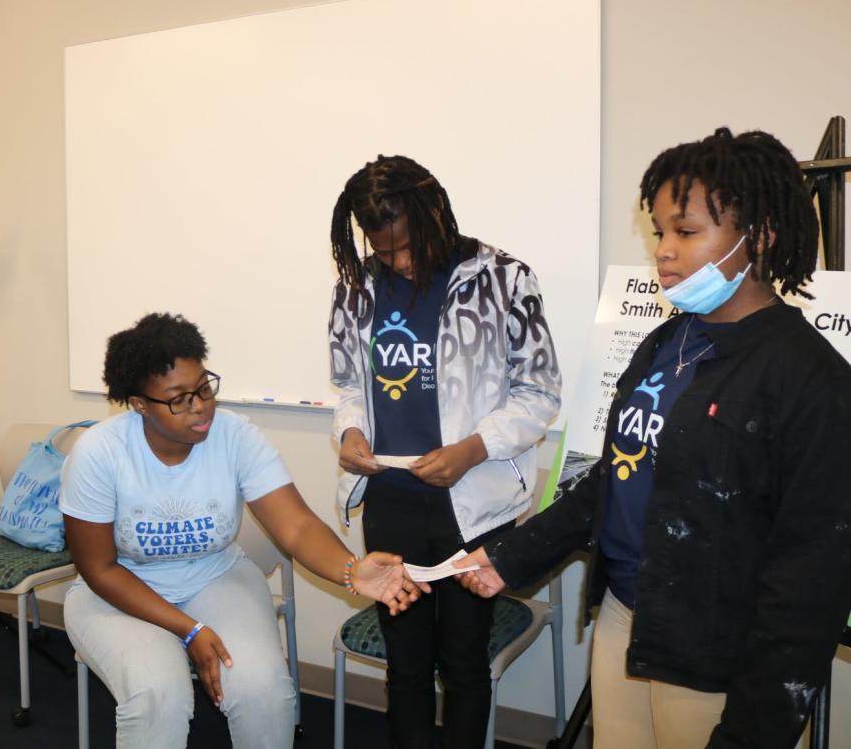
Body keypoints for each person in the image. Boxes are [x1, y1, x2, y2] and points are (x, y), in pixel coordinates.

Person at [455, 128, 851, 749]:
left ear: (762, 235)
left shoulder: (809, 377)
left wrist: (758, 726)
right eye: (659, 231)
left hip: (721, 646)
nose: (663, 252)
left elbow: (810, 577)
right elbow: (615, 479)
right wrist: (509, 556)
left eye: (686, 232)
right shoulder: (667, 342)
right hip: (626, 619)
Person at [61, 312, 426, 748]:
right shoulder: (99, 453)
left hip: (216, 576)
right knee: (158, 695)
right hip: (117, 590)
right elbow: (99, 569)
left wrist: (350, 570)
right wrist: (189, 628)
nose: (199, 406)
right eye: (178, 399)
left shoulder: (234, 435)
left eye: (203, 388)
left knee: (264, 691)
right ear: (139, 404)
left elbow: (295, 525)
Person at [328, 154, 561, 748]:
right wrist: (351, 432)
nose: (398, 263)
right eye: (383, 253)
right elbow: (350, 385)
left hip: (475, 505)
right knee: (406, 665)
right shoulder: (356, 289)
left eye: (407, 246)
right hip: (391, 502)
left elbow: (539, 393)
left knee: (463, 661)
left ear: (435, 212)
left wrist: (474, 448)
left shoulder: (504, 279)